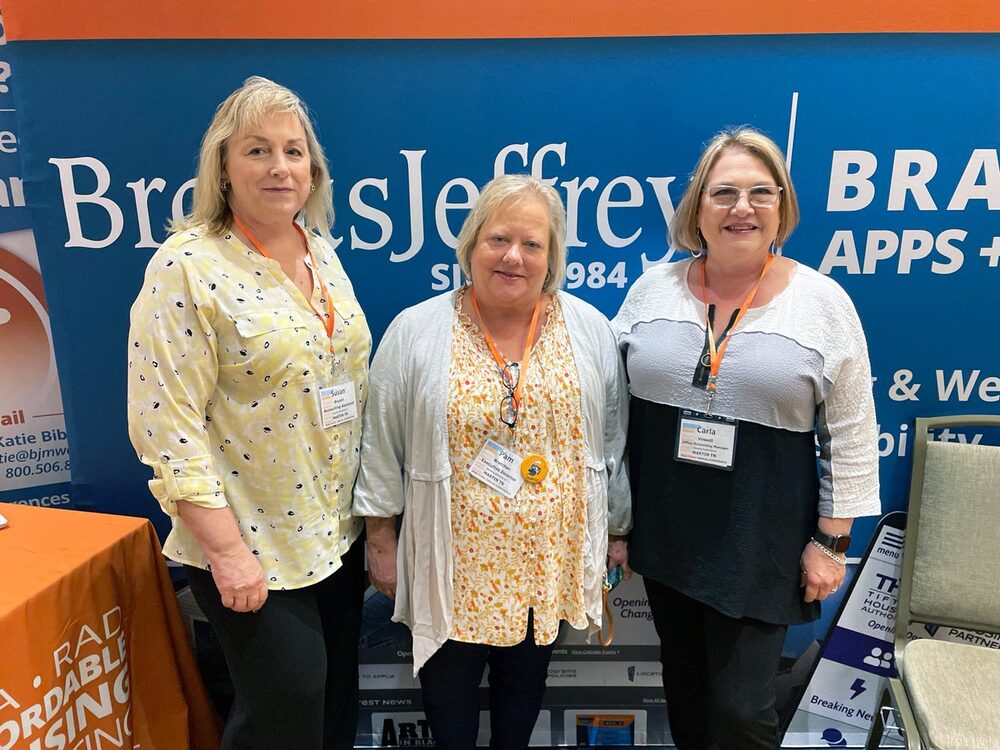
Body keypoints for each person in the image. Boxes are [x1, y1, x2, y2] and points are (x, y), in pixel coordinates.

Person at [612, 126, 880, 749]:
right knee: (685, 689)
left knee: (739, 707)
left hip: (763, 541)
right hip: (669, 532)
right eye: (725, 192)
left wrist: (832, 543)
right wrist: (618, 522)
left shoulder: (822, 303)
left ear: (782, 206)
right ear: (697, 208)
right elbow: (610, 409)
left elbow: (852, 432)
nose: (742, 207)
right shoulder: (651, 291)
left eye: (762, 192)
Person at [127, 76, 370, 750]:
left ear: (313, 170)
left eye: (293, 151)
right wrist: (228, 554)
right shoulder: (186, 268)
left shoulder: (319, 251)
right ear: (224, 169)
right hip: (251, 543)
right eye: (258, 150)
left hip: (334, 534)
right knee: (283, 712)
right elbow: (166, 428)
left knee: (332, 702)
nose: (279, 166)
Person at [354, 174, 631, 749]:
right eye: (498, 239)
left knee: (523, 689)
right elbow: (380, 446)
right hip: (453, 567)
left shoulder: (589, 330)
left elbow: (610, 442)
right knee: (448, 700)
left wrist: (616, 531)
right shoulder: (414, 332)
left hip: (543, 560)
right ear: (470, 245)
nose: (513, 257)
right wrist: (381, 539)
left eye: (533, 244)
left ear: (552, 257)